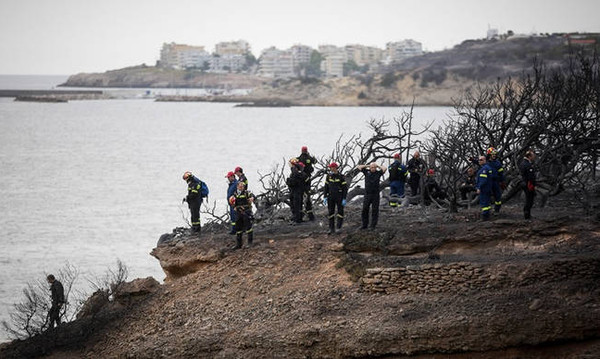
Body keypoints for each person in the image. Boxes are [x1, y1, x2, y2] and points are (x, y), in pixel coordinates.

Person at [357, 162, 387, 229]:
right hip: (367, 194)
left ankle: (373, 225)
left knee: (375, 210)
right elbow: (359, 166)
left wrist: (378, 165)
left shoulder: (378, 173)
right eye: (372, 167)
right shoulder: (366, 172)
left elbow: (385, 168)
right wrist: (368, 165)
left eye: (374, 167)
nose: (373, 168)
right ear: (370, 168)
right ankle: (364, 225)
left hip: (375, 194)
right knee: (365, 209)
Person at [229, 181, 256, 249]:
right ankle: (239, 244)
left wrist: (252, 198)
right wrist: (233, 206)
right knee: (238, 228)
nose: (241, 188)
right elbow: (233, 203)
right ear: (237, 186)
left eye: (242, 186)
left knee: (248, 227)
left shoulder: (246, 193)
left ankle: (250, 243)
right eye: (240, 186)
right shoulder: (235, 194)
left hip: (246, 212)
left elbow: (252, 195)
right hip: (238, 213)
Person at [323, 162, 347, 235]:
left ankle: (338, 227)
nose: (330, 169)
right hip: (331, 196)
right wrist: (325, 196)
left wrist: (344, 198)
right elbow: (326, 187)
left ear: (335, 168)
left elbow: (345, 189)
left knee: (340, 212)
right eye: (330, 167)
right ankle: (331, 228)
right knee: (331, 212)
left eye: (331, 167)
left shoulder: (341, 177)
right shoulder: (329, 176)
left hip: (339, 197)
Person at [297, 146, 316, 221]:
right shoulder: (309, 158)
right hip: (307, 178)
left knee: (302, 197)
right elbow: (314, 162)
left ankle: (301, 216)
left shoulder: (299, 158)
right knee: (307, 196)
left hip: (302, 179)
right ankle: (310, 216)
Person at [286, 158, 307, 224]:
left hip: (296, 192)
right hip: (297, 192)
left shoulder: (297, 175)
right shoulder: (301, 174)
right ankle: (298, 218)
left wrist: (288, 181)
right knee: (297, 205)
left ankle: (297, 220)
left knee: (296, 206)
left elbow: (293, 183)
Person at [486, 147, 505, 213]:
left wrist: (502, 181)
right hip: (488, 182)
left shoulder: (498, 163)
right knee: (487, 196)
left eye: (495, 154)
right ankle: (487, 211)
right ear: (489, 155)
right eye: (492, 154)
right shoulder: (486, 163)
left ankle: (497, 210)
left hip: (496, 182)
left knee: (498, 196)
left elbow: (501, 173)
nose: (494, 155)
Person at [520, 150, 537, 220]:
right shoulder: (527, 165)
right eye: (533, 155)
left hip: (525, 183)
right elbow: (530, 177)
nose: (534, 157)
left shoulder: (523, 163)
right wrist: (532, 185)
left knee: (529, 199)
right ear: (529, 156)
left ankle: (528, 214)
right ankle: (527, 216)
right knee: (529, 200)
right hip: (528, 184)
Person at [475, 156, 493, 221]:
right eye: (479, 160)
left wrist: (479, 187)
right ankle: (487, 215)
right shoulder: (487, 167)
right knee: (487, 203)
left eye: (481, 160)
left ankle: (484, 217)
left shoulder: (484, 169)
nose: (479, 161)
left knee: (484, 202)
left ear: (485, 160)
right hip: (488, 188)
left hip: (484, 189)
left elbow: (483, 180)